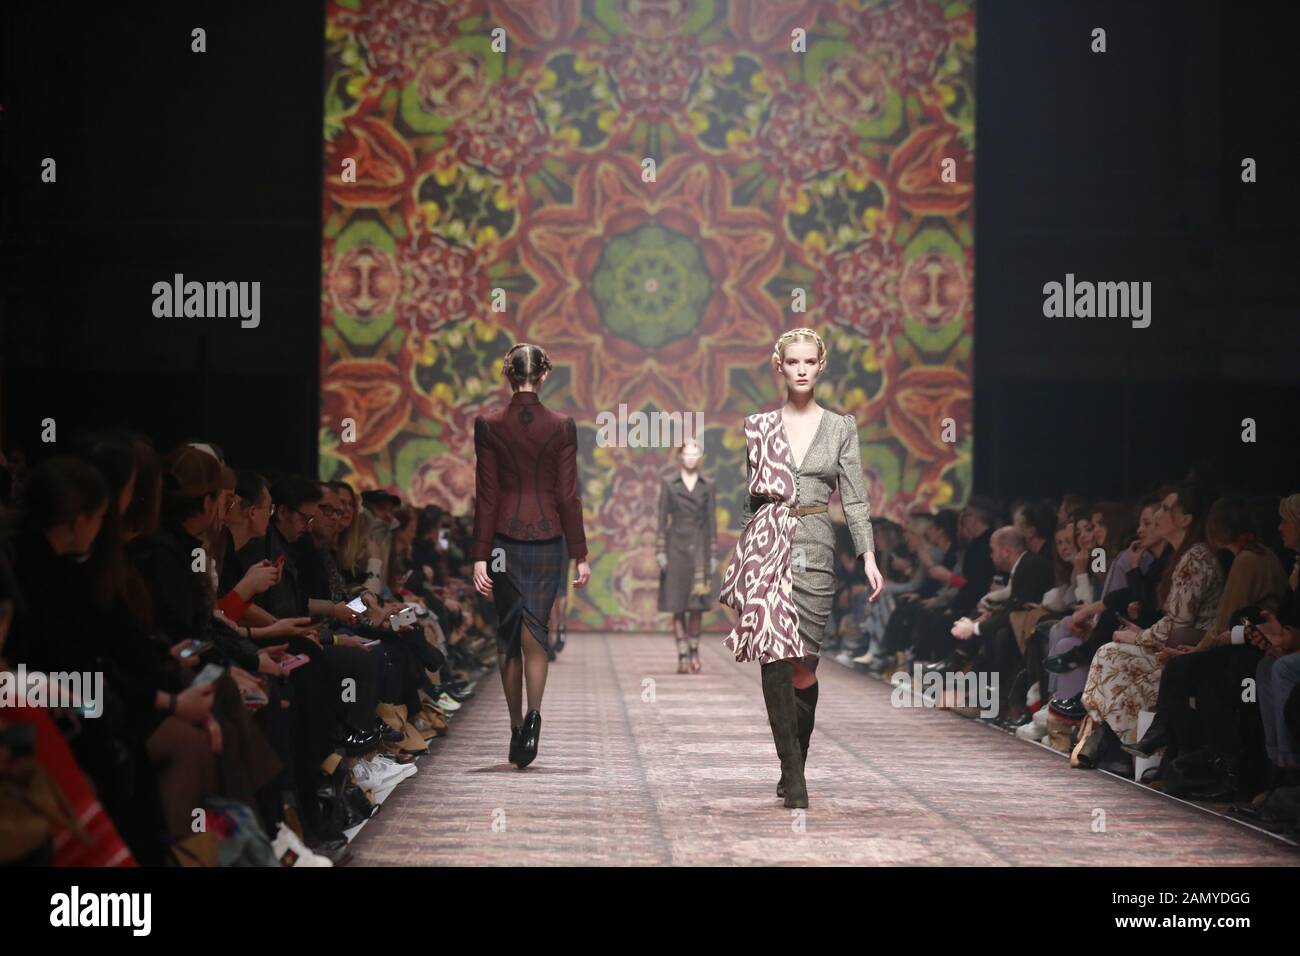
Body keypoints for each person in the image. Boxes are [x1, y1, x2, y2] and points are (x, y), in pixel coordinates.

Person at [719, 328, 883, 808]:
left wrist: (868, 554)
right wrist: (745, 560)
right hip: (769, 545)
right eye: (793, 362)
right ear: (780, 366)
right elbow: (752, 500)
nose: (802, 369)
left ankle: (795, 762)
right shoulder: (759, 426)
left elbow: (853, 498)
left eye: (810, 361)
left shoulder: (839, 428)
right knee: (774, 656)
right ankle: (793, 777)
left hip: (815, 546)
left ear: (821, 364)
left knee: (804, 664)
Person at [471, 343, 591, 769]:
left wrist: (480, 555)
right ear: (544, 376)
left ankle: (516, 726)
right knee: (536, 630)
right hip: (546, 540)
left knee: (508, 635)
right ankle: (537, 714)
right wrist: (580, 553)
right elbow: (566, 495)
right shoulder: (562, 426)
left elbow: (487, 495)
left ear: (507, 375)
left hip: (503, 540)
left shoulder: (488, 425)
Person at [656, 439, 718, 674]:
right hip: (676, 548)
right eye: (687, 454)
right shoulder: (670, 483)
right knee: (677, 603)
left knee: (697, 605)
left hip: (700, 548)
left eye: (695, 454)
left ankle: (694, 651)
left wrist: (712, 552)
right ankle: (682, 655)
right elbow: (662, 519)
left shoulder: (708, 484)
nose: (691, 458)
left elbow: (712, 519)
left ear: (700, 457)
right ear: (679, 457)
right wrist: (660, 550)